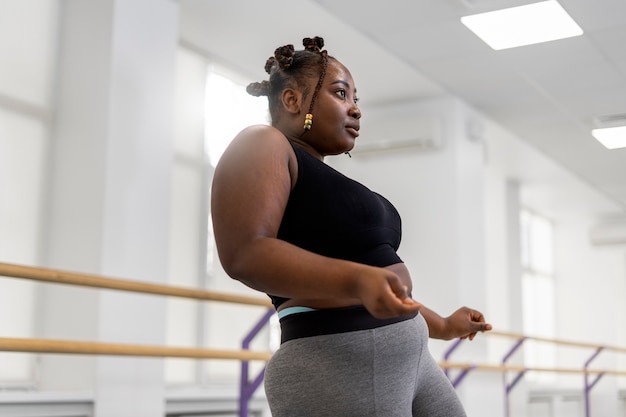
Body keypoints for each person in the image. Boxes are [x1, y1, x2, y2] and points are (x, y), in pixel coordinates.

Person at [211, 36, 492, 417]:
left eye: (356, 99)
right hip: (340, 361)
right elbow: (245, 253)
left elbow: (376, 279)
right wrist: (356, 281)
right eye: (341, 94)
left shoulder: (327, 179)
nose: (355, 110)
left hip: (409, 360)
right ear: (293, 100)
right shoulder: (262, 143)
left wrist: (441, 324)